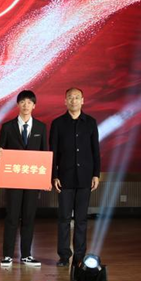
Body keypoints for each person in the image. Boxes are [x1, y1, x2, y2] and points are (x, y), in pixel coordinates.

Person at [0, 90, 50, 267]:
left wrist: (45, 179)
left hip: (32, 181)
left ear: (34, 105)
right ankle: (7, 255)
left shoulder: (41, 127)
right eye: (22, 102)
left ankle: (26, 255)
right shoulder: (7, 127)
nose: (26, 105)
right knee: (12, 217)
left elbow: (44, 154)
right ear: (18, 105)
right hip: (14, 180)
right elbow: (0, 150)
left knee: (28, 217)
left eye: (29, 102)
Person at [50, 87, 101, 267]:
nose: (73, 101)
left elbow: (95, 151)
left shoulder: (90, 123)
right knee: (64, 218)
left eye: (77, 97)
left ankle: (79, 256)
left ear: (82, 100)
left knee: (81, 219)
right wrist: (54, 176)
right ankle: (64, 256)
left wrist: (96, 174)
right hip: (65, 177)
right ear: (65, 101)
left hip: (85, 177)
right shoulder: (58, 123)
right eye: (70, 98)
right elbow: (53, 152)